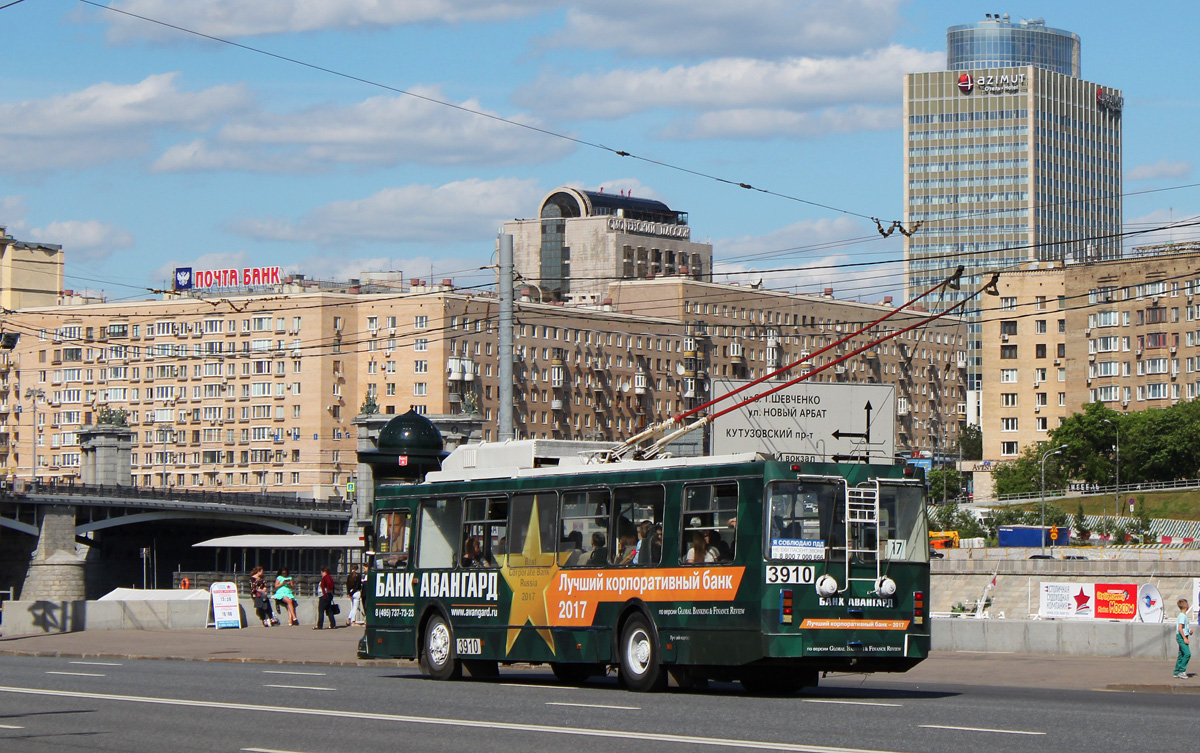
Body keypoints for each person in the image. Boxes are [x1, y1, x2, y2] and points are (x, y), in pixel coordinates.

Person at [1175, 598, 1191, 679]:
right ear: (1186, 606)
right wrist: (1185, 638)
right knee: (1187, 654)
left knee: (1181, 654)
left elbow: (1183, 628)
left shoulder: (1183, 616)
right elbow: (1180, 628)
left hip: (1182, 635)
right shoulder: (1182, 616)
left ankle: (1177, 671)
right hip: (1181, 637)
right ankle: (1182, 671)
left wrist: (1189, 631)